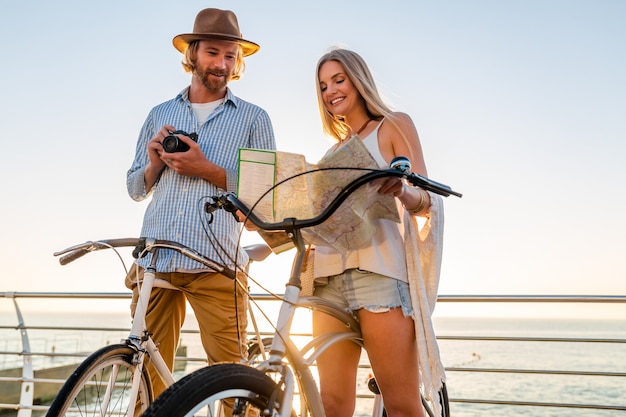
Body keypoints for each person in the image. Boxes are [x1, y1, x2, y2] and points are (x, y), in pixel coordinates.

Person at [125, 7, 276, 398]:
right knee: (145, 382)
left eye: (230, 55)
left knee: (231, 382)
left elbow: (266, 198)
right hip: (156, 259)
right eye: (212, 52)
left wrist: (206, 168)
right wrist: (156, 164)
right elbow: (134, 187)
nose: (222, 64)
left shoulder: (254, 119)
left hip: (216, 263)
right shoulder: (160, 113)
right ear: (192, 54)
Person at [312, 48, 446, 417]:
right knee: (332, 406)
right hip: (325, 280)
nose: (331, 91)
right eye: (323, 85)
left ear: (359, 79)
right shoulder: (331, 153)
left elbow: (427, 200)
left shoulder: (393, 125)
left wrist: (402, 189)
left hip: (380, 275)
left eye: (338, 80)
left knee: (402, 405)